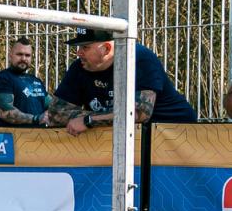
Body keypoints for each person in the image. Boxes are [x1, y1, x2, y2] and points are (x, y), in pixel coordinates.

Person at [44, 27, 198, 134]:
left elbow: (138, 113)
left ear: (106, 49)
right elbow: (56, 114)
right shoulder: (80, 66)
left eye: (85, 47)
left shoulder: (138, 58)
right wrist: (100, 117)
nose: (78, 53)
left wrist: (88, 120)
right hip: (128, 137)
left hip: (173, 132)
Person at [0, 37, 50, 126]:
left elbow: (53, 107)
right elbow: (6, 113)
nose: (23, 58)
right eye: (19, 54)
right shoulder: (2, 79)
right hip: (14, 134)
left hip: (40, 134)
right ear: (10, 56)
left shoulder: (35, 81)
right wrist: (36, 119)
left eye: (27, 55)